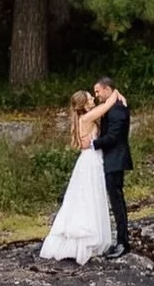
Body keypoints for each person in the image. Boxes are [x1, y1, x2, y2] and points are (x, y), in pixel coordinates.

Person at [39, 89, 116, 264]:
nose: (93, 98)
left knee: (84, 197)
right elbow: (107, 105)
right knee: (89, 197)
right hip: (90, 161)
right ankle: (85, 238)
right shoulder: (86, 118)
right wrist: (116, 93)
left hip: (89, 159)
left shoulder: (84, 119)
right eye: (90, 97)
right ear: (84, 104)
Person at [91, 75, 132, 259]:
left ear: (108, 89)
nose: (97, 95)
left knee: (117, 201)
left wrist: (93, 144)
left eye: (98, 91)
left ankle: (123, 242)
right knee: (114, 201)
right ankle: (119, 240)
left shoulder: (117, 110)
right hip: (110, 159)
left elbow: (114, 136)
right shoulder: (112, 106)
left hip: (116, 160)